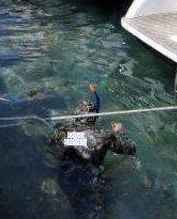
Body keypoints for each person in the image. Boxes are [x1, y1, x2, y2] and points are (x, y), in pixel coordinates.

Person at [47, 84, 136, 217]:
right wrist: (120, 132)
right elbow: (132, 149)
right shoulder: (104, 136)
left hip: (64, 178)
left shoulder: (61, 131)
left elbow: (48, 145)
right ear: (94, 117)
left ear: (77, 115)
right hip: (89, 181)